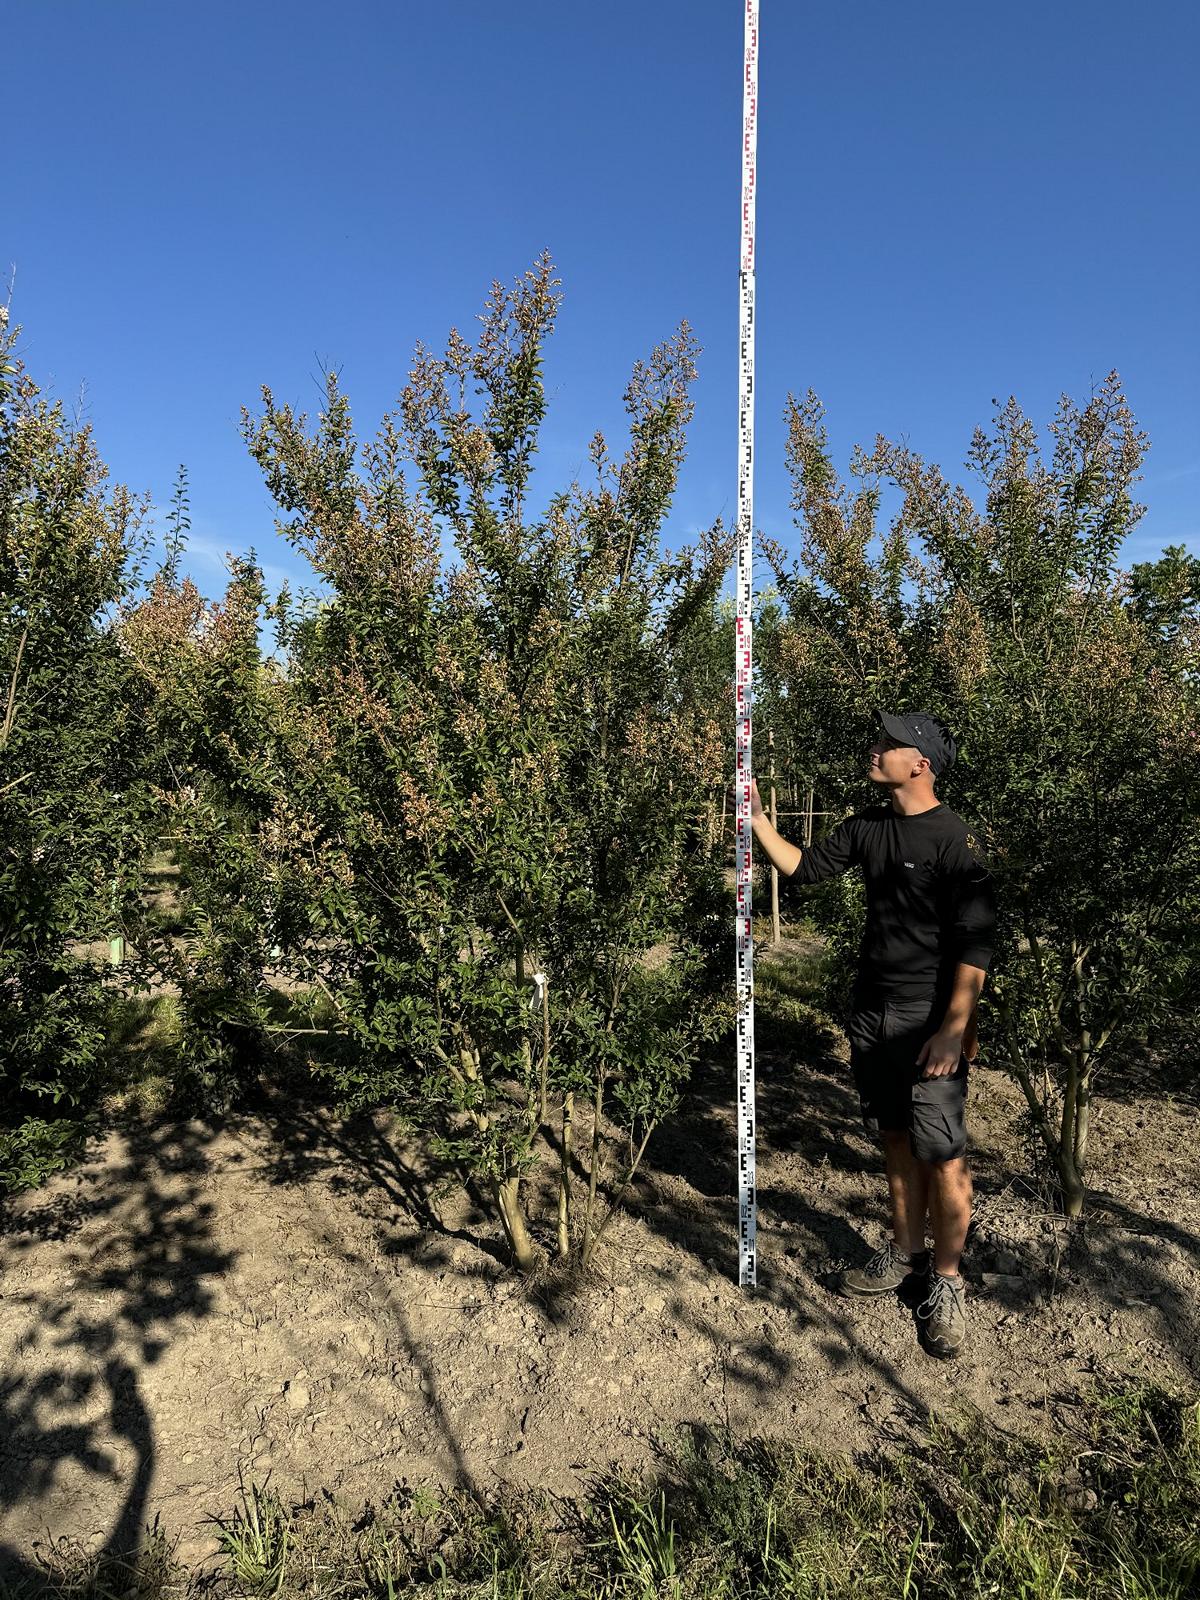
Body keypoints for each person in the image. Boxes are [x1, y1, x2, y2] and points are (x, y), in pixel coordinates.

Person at [747, 710, 997, 1358]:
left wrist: (952, 1030)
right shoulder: (868, 828)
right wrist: (757, 823)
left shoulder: (954, 840)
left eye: (890, 743)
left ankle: (945, 1284)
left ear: (921, 763)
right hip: (872, 1016)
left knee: (943, 1158)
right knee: (893, 1139)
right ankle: (906, 1252)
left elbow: (975, 947)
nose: (876, 748)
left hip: (928, 1024)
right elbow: (802, 869)